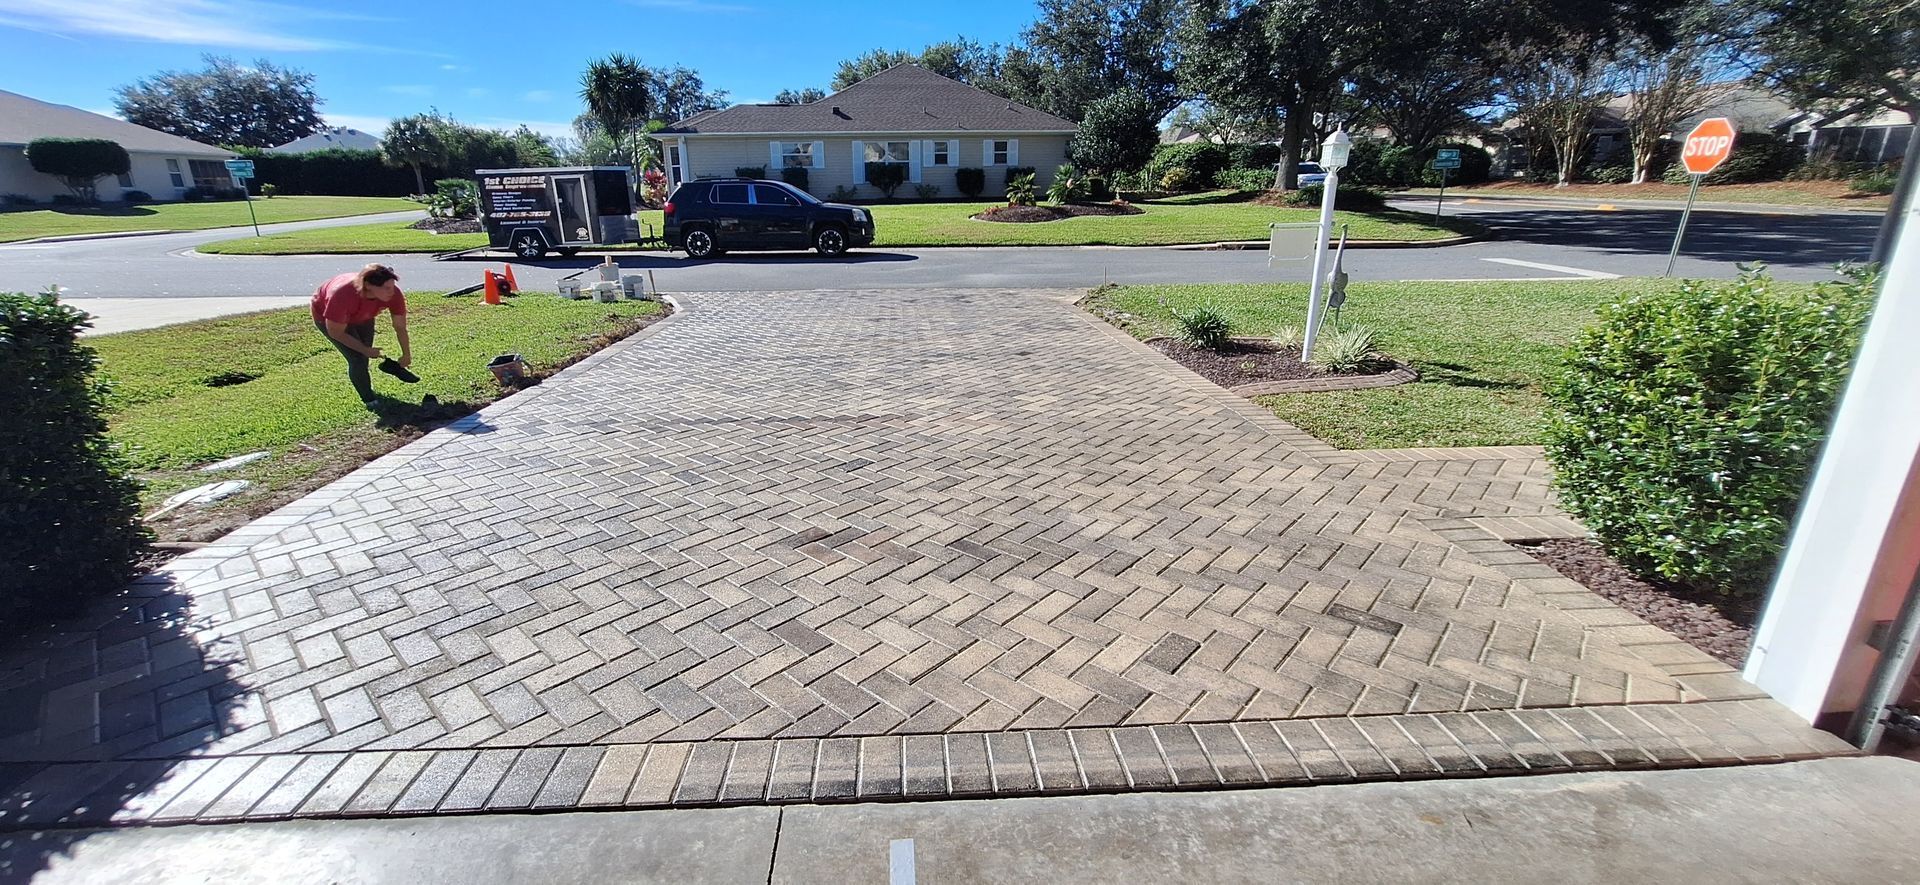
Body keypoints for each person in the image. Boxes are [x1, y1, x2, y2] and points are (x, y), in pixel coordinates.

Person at [312, 263, 418, 404]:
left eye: (392, 286)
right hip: (329, 317)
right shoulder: (342, 295)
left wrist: (406, 354)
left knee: (363, 355)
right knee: (357, 358)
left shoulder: (394, 294)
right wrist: (364, 349)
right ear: (368, 285)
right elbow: (336, 332)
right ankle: (369, 400)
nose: (391, 291)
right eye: (386, 288)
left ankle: (375, 375)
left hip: (362, 315)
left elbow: (400, 326)